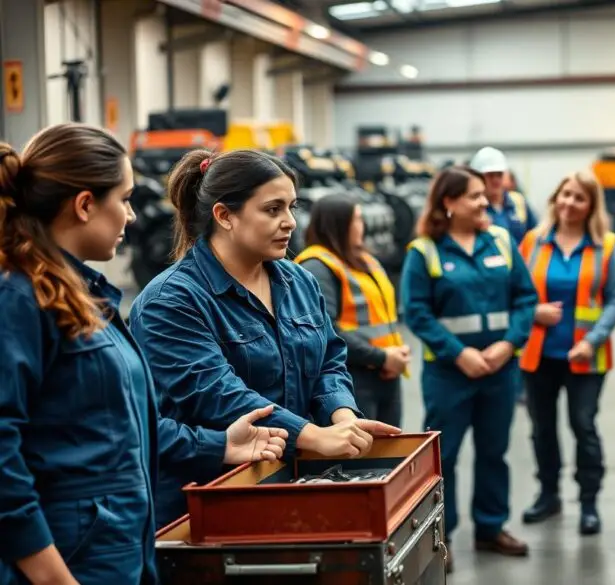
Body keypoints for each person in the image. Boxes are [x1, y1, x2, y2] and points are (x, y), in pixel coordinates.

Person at [0, 124, 289, 585]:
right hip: (71, 560)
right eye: (125, 198)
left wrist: (219, 445)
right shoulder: (19, 301)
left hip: (119, 549)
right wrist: (51, 576)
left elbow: (126, 427)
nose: (132, 216)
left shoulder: (83, 297)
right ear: (85, 205)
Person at [129, 149, 401, 527]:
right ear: (224, 216)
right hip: (206, 501)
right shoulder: (171, 301)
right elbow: (217, 394)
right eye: (273, 210)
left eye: (292, 207)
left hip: (286, 485)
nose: (290, 222)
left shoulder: (298, 280)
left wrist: (341, 415)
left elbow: (329, 358)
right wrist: (311, 435)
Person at [401, 166, 538, 569]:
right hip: (449, 374)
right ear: (449, 202)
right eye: (475, 196)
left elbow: (526, 299)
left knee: (494, 452)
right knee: (448, 457)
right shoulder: (424, 250)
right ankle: (442, 536)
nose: (484, 202)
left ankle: (491, 527)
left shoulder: (501, 240)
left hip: (500, 369)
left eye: (484, 195)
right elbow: (418, 313)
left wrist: (508, 344)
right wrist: (459, 353)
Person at [516, 171, 615, 536]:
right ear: (555, 198)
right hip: (538, 354)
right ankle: (549, 495)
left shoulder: (605, 246)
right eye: (565, 194)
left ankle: (589, 503)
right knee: (542, 429)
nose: (570, 203)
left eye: (579, 198)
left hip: (586, 357)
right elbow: (514, 292)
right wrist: (533, 313)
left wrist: (591, 340)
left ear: (591, 205)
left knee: (584, 426)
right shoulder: (533, 242)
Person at [294, 195, 410, 428]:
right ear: (337, 224)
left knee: (392, 454)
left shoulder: (364, 260)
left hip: (385, 373)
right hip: (352, 378)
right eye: (356, 219)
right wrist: (382, 357)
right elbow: (327, 329)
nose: (363, 225)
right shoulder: (317, 266)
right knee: (363, 458)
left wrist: (394, 355)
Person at [469, 146, 537, 244]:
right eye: (490, 175)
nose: (495, 180)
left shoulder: (518, 201)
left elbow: (535, 234)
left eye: (499, 174)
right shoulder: (474, 207)